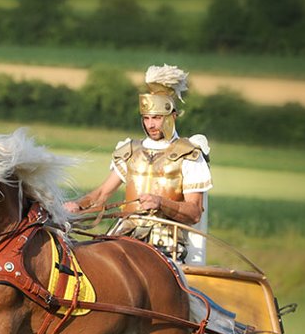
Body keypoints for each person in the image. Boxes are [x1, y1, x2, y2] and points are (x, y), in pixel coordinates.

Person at [64, 64, 212, 263]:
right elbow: (101, 194)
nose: (151, 125)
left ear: (172, 117)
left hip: (167, 243)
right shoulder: (130, 151)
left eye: (157, 118)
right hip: (125, 235)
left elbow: (194, 213)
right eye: (147, 118)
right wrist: (77, 207)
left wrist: (161, 203)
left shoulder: (189, 154)